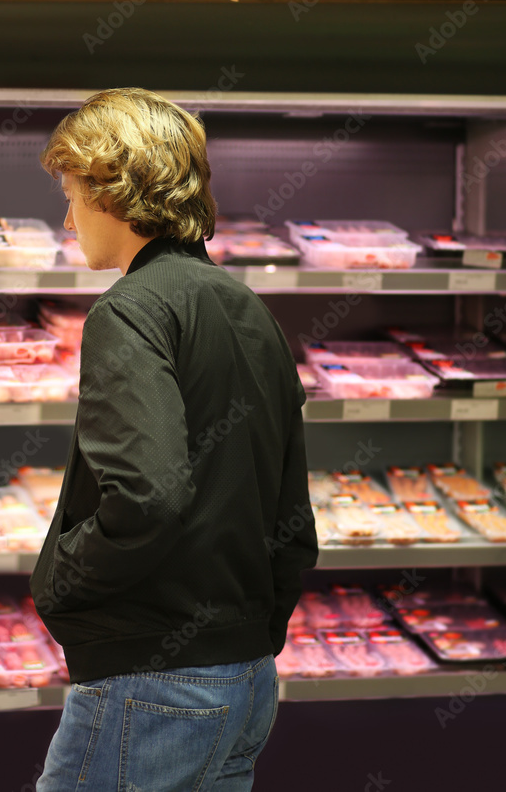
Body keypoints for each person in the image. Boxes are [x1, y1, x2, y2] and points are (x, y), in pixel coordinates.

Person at [31, 88, 317, 791]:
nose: (68, 219)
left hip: (152, 686)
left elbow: (148, 495)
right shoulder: (248, 310)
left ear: (114, 190)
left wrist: (62, 580)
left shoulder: (129, 312)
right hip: (247, 680)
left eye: (72, 195)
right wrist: (251, 636)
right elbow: (294, 523)